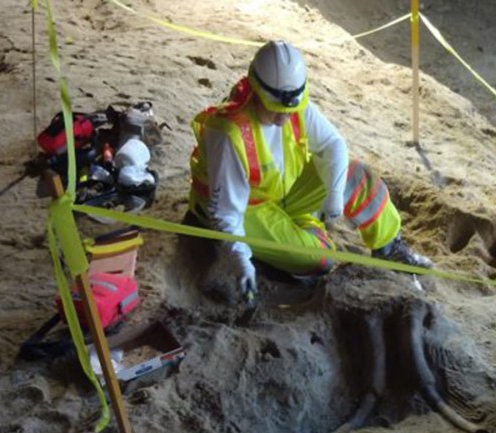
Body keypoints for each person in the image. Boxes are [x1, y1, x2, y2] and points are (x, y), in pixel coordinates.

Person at [185, 40, 431, 305]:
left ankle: (389, 248)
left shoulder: (294, 105)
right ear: (255, 90)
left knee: (357, 175)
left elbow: (332, 144)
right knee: (321, 259)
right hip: (246, 210)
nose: (283, 118)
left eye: (289, 110)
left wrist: (334, 197)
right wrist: (240, 260)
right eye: (276, 110)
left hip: (282, 192)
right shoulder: (229, 134)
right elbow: (226, 213)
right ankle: (288, 237)